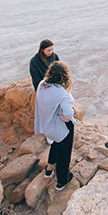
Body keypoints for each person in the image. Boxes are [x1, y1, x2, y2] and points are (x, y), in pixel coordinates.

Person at [35, 61, 76, 191]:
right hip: (61, 127)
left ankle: (49, 169)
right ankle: (62, 181)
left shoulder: (42, 84)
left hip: (47, 125)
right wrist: (65, 118)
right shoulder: (62, 93)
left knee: (55, 144)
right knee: (64, 153)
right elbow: (69, 113)